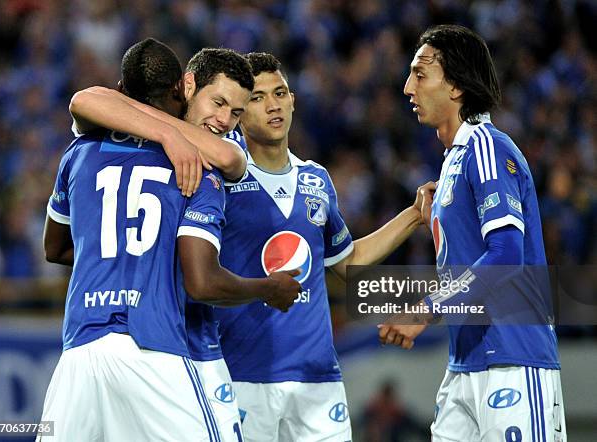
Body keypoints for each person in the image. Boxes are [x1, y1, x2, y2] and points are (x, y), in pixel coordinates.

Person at [40, 39, 301, 441]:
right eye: (218, 104)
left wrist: (121, 261)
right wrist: (270, 288)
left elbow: (54, 248)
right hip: (159, 346)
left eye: (235, 112)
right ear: (186, 87)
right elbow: (201, 281)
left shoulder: (79, 153)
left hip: (81, 349)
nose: (225, 121)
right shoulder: (197, 166)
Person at [214, 52, 434, 442]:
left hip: (318, 379)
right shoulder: (219, 177)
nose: (273, 104)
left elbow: (348, 261)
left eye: (280, 92)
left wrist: (415, 215)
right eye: (258, 97)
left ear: (293, 99)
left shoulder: (316, 178)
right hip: (243, 374)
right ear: (238, 111)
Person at [378, 25, 567, 441]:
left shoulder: (487, 147)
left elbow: (505, 256)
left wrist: (422, 310)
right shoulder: (454, 164)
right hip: (465, 363)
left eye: (421, 74)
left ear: (458, 87)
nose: (408, 86)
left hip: (514, 361)